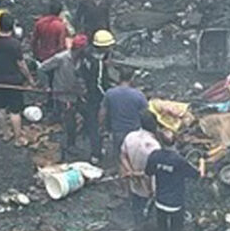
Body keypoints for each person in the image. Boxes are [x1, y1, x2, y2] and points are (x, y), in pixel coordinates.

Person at [145, 130, 200, 231]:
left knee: (162, 230)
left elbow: (148, 172)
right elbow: (197, 175)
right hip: (175, 204)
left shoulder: (155, 156)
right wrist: (202, 162)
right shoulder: (179, 160)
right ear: (176, 141)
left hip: (160, 201)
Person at [0, 14, 36, 146]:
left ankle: (6, 133)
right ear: (11, 27)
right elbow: (21, 64)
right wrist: (30, 78)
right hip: (13, 81)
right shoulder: (14, 44)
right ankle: (18, 138)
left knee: (0, 108)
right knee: (15, 111)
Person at [38, 34, 87, 160]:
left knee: (86, 114)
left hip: (77, 93)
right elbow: (42, 68)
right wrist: (46, 85)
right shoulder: (61, 58)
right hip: (63, 95)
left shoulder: (83, 60)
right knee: (70, 120)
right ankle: (69, 145)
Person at [78, 29, 115, 164]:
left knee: (91, 122)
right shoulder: (97, 63)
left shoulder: (86, 54)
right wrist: (108, 96)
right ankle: (96, 153)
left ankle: (95, 147)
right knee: (97, 125)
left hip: (86, 93)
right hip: (96, 97)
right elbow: (98, 83)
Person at [120, 110, 161, 224]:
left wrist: (130, 171)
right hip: (149, 185)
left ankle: (137, 226)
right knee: (149, 210)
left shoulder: (130, 136)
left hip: (133, 181)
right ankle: (146, 228)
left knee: (136, 205)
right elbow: (154, 171)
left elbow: (123, 156)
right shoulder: (154, 146)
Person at [101, 67, 149, 159]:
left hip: (117, 131)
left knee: (119, 157)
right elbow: (146, 115)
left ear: (119, 77)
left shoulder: (110, 93)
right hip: (134, 132)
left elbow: (102, 113)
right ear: (132, 78)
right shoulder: (139, 95)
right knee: (133, 157)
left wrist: (102, 126)